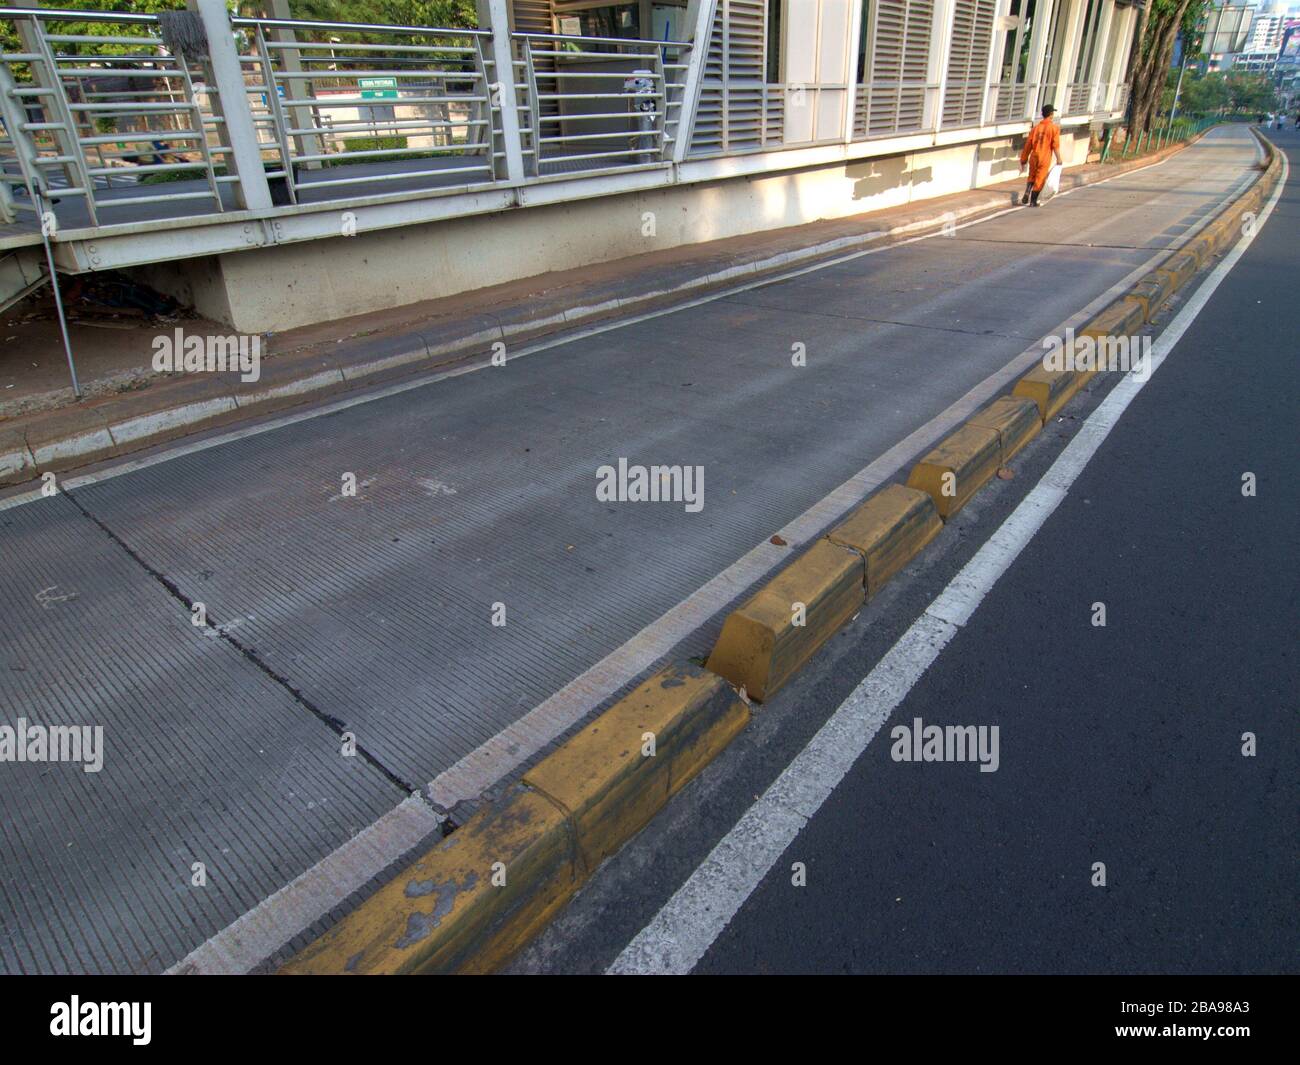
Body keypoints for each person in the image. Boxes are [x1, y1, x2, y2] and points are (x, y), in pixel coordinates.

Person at [1020, 104, 1063, 207]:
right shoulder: (1054, 128)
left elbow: (1028, 145)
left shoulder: (1035, 128)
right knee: (1040, 178)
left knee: (1032, 175)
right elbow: (1055, 145)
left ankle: (1027, 191)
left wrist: (1023, 159)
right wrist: (1059, 159)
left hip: (1034, 156)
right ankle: (1033, 201)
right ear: (1051, 114)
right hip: (1044, 157)